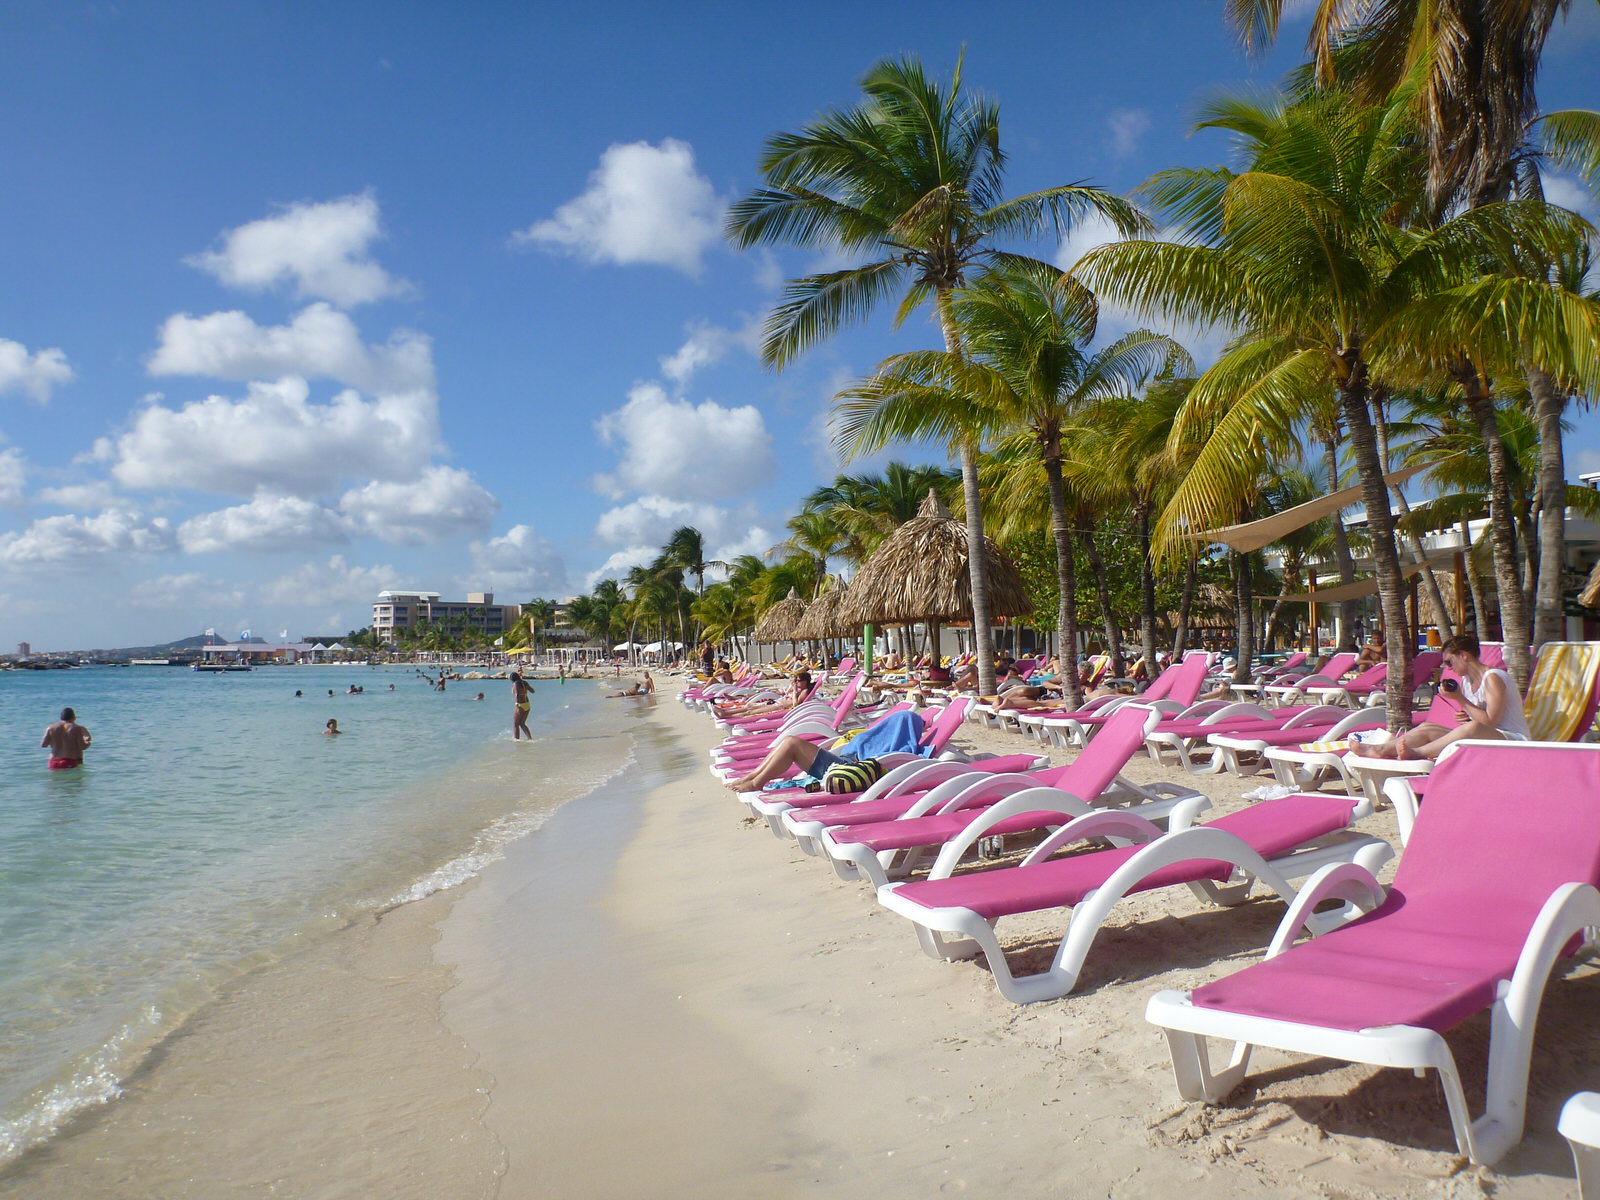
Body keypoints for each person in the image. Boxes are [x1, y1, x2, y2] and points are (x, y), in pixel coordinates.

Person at [1369, 632, 1529, 760]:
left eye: (1449, 662)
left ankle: (1418, 753)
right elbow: (1480, 717)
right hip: (1485, 737)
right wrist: (1467, 715)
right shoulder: (1467, 681)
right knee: (1427, 727)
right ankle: (1380, 749)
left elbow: (1490, 722)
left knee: (1472, 727)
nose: (1448, 668)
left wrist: (1460, 699)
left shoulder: (1493, 677)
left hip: (1512, 740)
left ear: (1464, 655)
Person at [511, 671, 533, 740]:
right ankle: (530, 739)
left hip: (520, 705)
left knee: (515, 724)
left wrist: (516, 704)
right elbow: (532, 691)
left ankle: (516, 740)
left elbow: (517, 694)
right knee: (522, 723)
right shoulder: (525, 683)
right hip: (527, 704)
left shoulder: (515, 683)